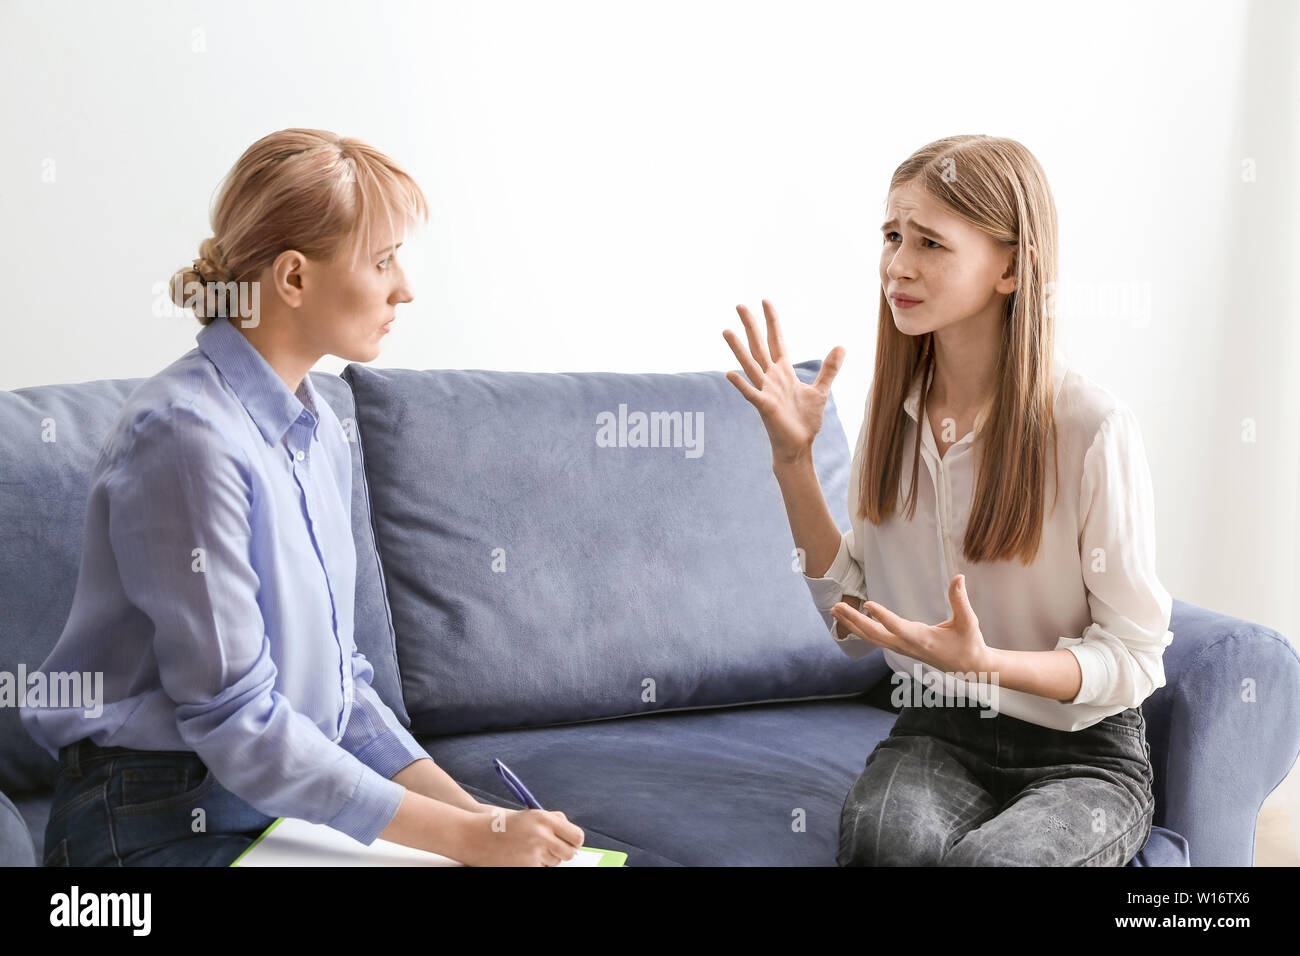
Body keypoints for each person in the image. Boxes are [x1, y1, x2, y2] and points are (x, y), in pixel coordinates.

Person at [21, 128, 583, 867]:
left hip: (271, 800)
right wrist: (465, 839)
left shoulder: (317, 429)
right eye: (382, 260)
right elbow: (238, 721)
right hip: (151, 815)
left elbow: (338, 686)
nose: (404, 287)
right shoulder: (188, 438)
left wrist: (476, 818)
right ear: (292, 278)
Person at [721, 134, 1172, 866]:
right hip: (937, 731)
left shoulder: (1091, 427)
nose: (897, 265)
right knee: (882, 849)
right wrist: (793, 460)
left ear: (1010, 268)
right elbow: (857, 625)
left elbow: (1134, 657)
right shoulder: (895, 415)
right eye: (893, 235)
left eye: (930, 242)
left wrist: (986, 662)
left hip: (1082, 752)